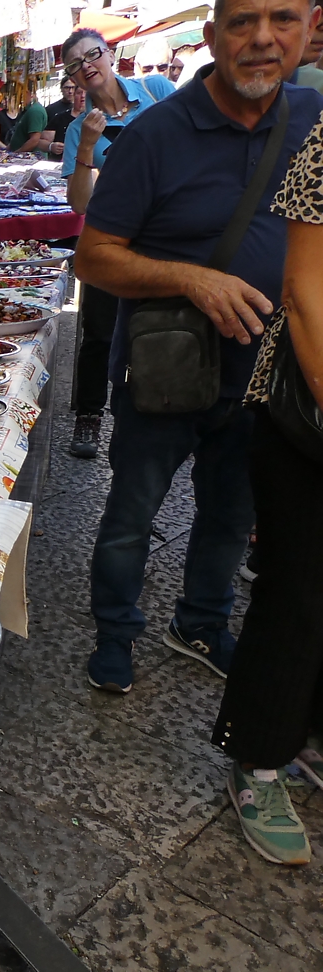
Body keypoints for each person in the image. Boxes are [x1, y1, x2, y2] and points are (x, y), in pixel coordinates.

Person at [73, 0, 323, 696]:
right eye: (243, 22)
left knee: (230, 514)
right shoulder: (156, 134)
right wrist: (191, 278)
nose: (262, 39)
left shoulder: (314, 123)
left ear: (310, 29)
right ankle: (115, 634)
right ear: (213, 37)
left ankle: (203, 623)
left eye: (282, 19)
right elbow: (92, 258)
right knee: (132, 514)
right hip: (165, 369)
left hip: (265, 372)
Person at [212, 75, 323, 865]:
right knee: (299, 589)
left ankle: (308, 733)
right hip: (307, 405)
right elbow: (305, 291)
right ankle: (258, 759)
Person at [62, 28, 176, 459]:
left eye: (92, 55)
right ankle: (89, 416)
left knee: (165, 323)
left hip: (166, 234)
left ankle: (167, 408)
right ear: (72, 77)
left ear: (109, 54)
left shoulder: (157, 91)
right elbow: (79, 204)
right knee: (99, 332)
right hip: (110, 239)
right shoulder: (79, 129)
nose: (87, 66)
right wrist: (88, 146)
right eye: (75, 64)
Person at [4, 88, 50, 154]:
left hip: (29, 157)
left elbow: (34, 140)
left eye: (18, 95)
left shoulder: (35, 111)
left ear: (27, 93)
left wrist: (15, 154)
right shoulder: (29, 110)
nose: (16, 99)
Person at [46, 77, 78, 161]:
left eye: (73, 87)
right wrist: (51, 146)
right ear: (61, 89)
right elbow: (42, 139)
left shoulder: (87, 112)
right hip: (57, 159)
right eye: (67, 88)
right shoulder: (51, 109)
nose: (70, 91)